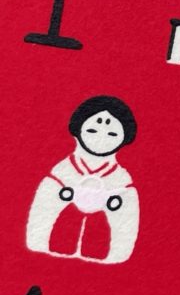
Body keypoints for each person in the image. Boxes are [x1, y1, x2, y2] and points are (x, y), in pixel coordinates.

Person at [26, 96, 139, 264]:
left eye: (112, 134)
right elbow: (42, 213)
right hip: (51, 258)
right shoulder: (61, 174)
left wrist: (118, 254)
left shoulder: (122, 183)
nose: (102, 138)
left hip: (100, 259)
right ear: (77, 129)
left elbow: (124, 230)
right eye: (92, 131)